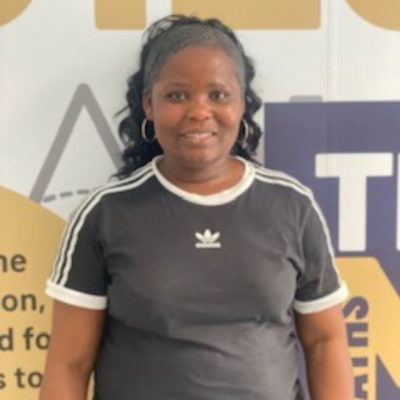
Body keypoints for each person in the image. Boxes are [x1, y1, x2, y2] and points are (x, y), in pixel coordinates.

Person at [40, 14, 354, 400]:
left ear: (243, 104)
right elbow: (68, 365)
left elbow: (325, 341)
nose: (199, 111)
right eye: (177, 95)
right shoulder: (105, 214)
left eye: (218, 94)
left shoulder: (291, 206)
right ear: (149, 105)